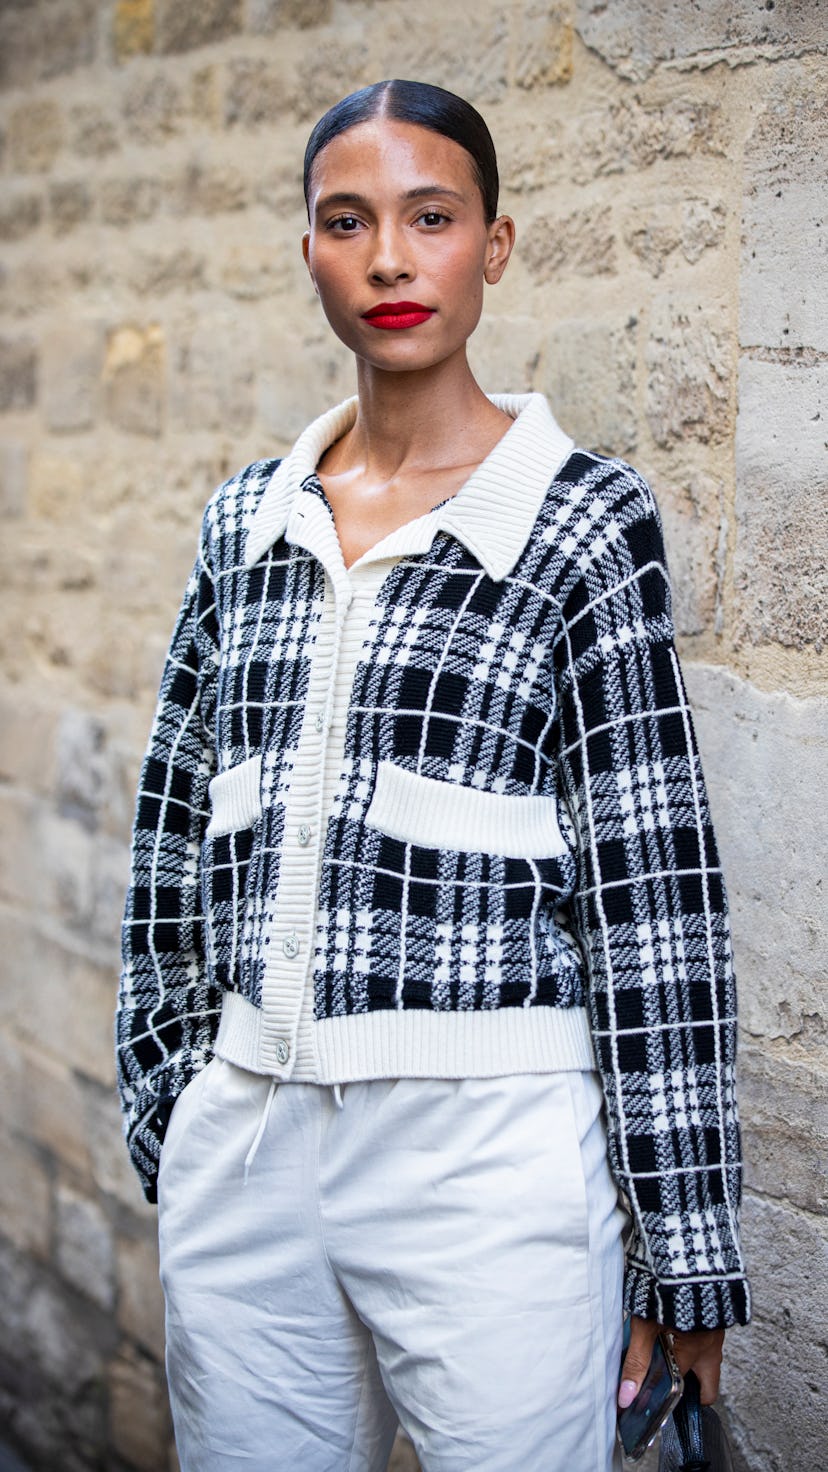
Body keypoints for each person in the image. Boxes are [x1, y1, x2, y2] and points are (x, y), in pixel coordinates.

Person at [116, 79, 750, 1472]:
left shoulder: (584, 518)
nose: (390, 259)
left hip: (488, 1166)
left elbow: (654, 889)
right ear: (309, 253)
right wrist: (174, 1101)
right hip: (247, 1150)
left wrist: (685, 1250)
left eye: (430, 217)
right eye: (348, 222)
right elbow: (172, 827)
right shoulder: (248, 519)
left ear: (496, 245)